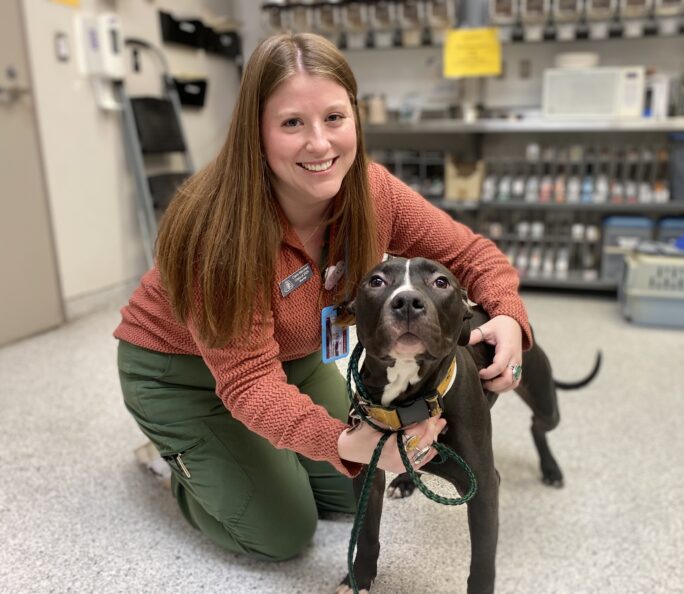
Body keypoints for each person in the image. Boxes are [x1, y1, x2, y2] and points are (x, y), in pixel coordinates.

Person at [115, 32, 533, 562]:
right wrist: (336, 442)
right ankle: (179, 462)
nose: (320, 144)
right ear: (256, 133)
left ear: (355, 118)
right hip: (179, 371)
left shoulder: (371, 192)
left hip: (293, 356)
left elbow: (474, 254)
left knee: (357, 486)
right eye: (292, 123)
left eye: (334, 118)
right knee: (283, 533)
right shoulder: (218, 232)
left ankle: (254, 455)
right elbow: (246, 382)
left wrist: (509, 317)